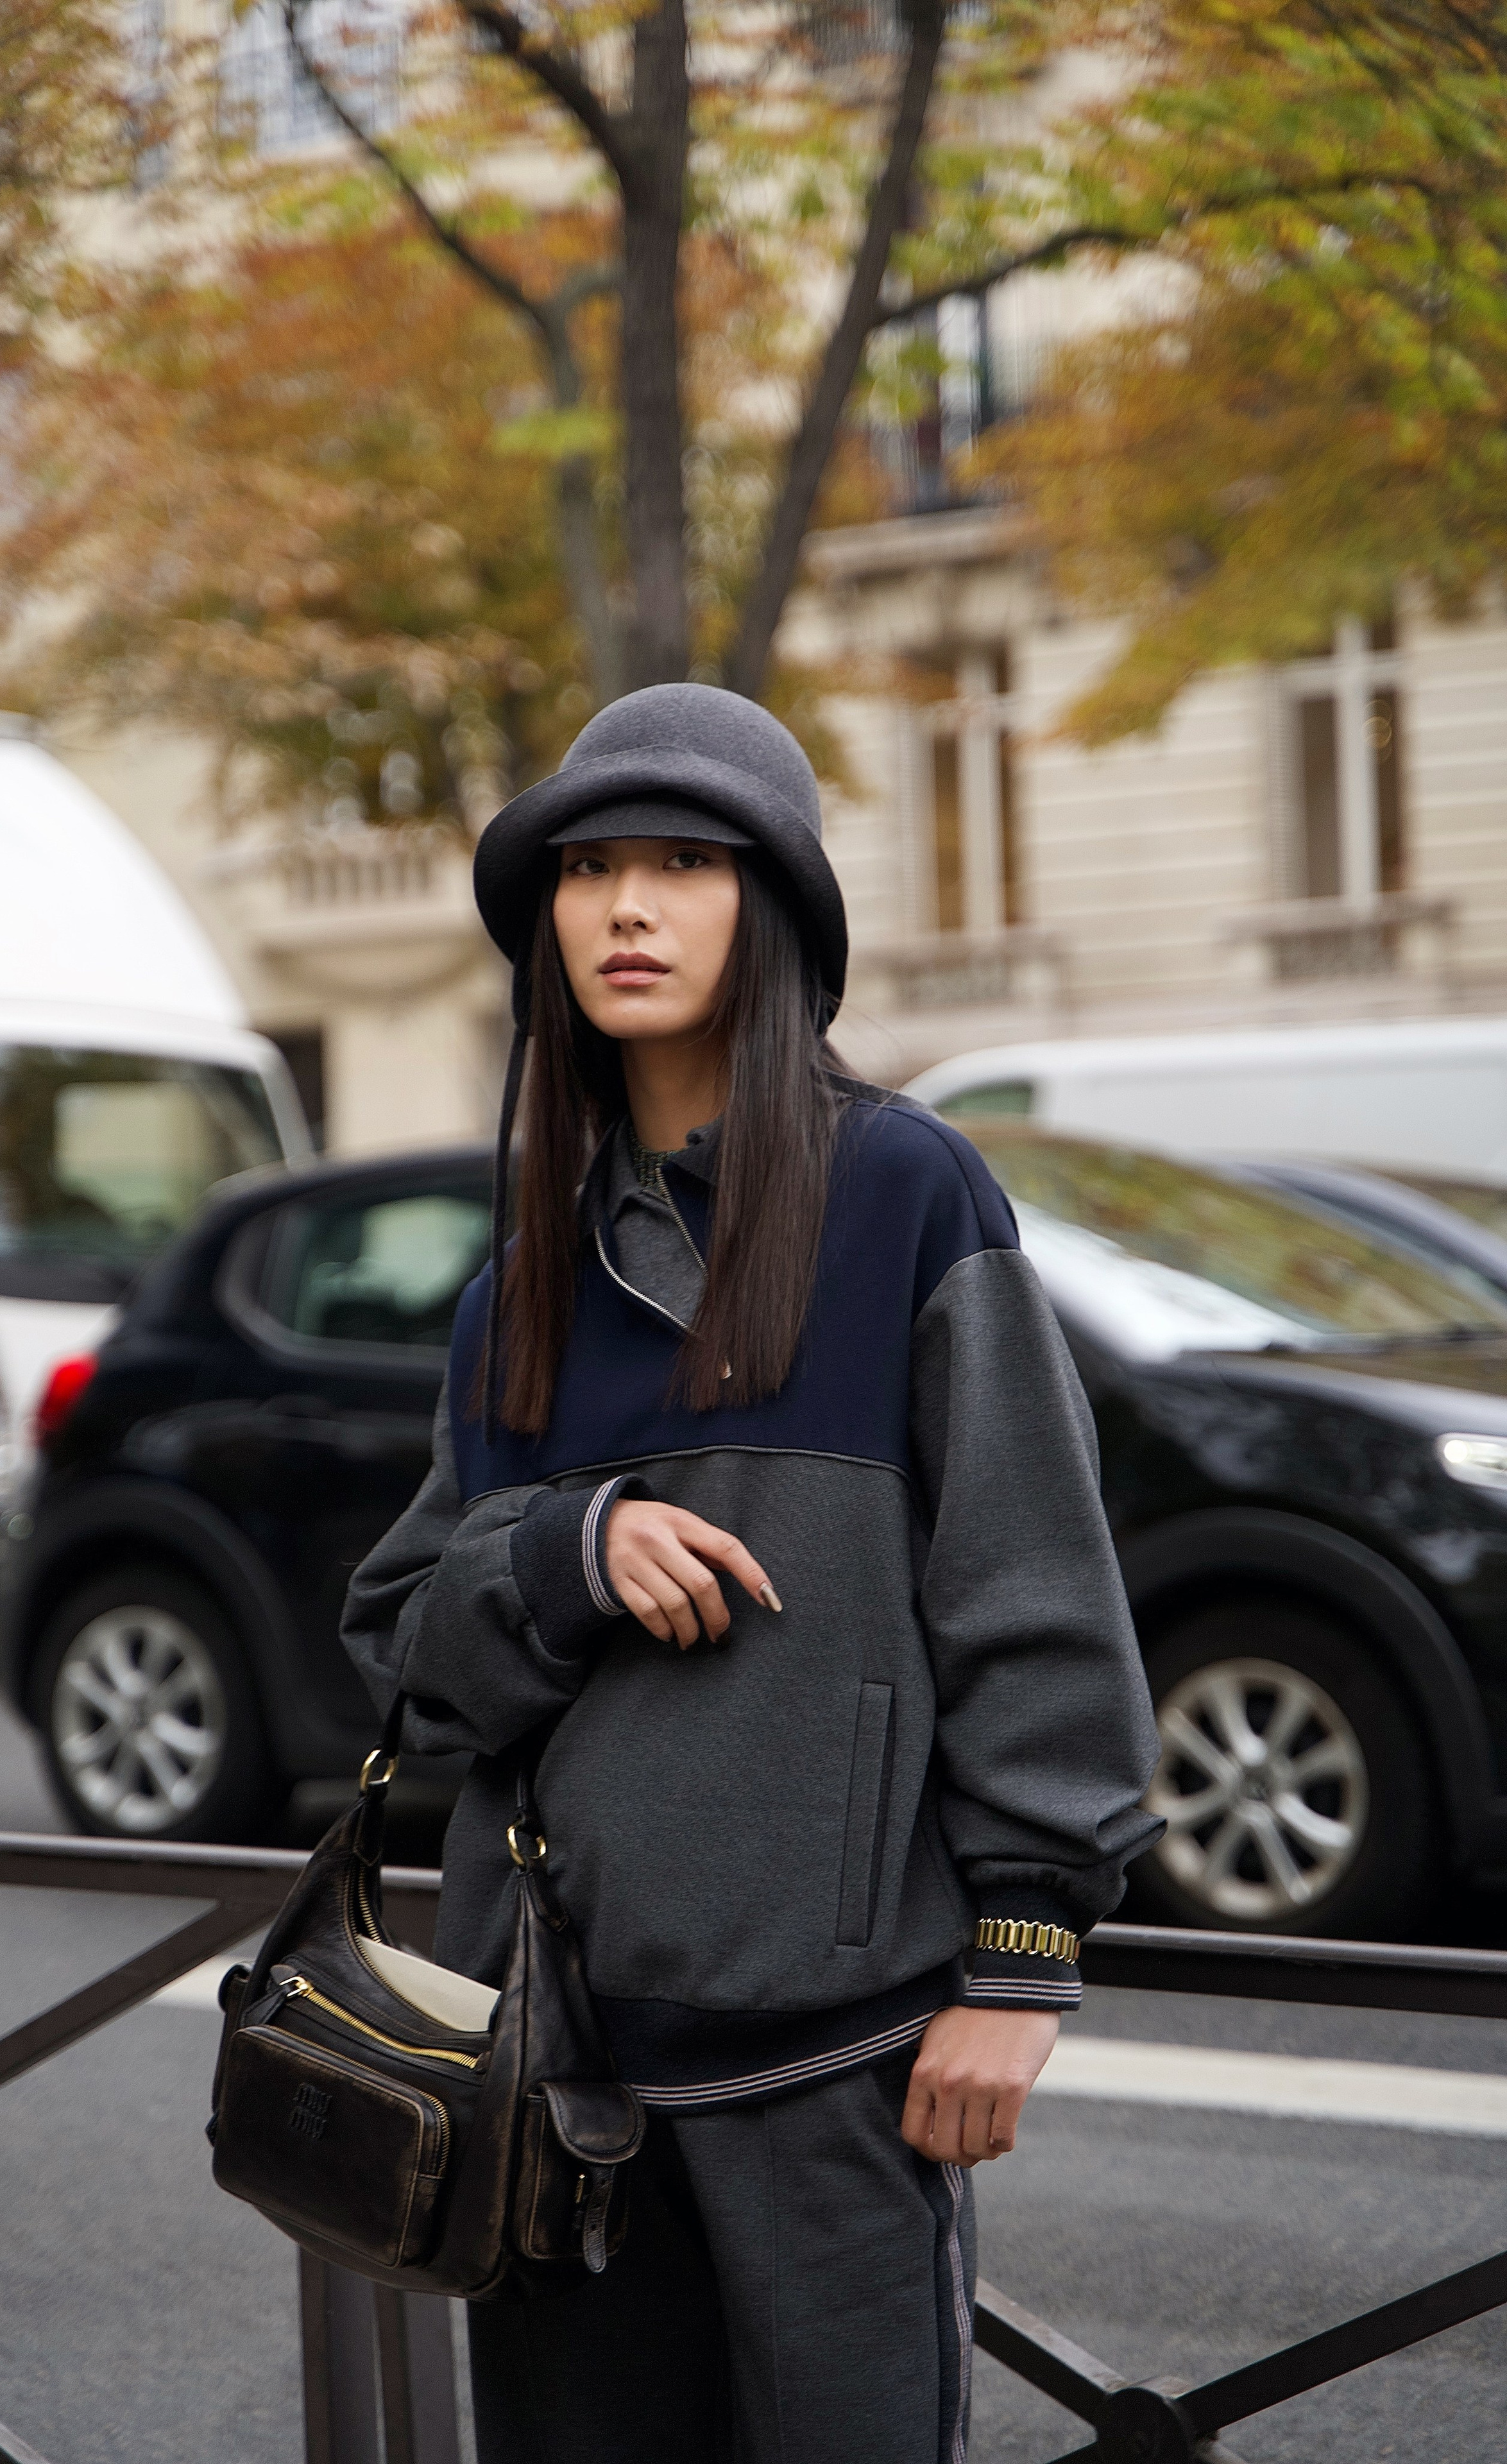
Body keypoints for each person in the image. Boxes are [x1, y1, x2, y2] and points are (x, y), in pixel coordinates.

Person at [341, 683, 1162, 2464]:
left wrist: (1021, 1958)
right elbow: (402, 1657)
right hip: (555, 2086)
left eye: (687, 864)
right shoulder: (521, 1296)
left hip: (831, 2073)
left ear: (770, 908)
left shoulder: (909, 1200)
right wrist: (561, 1552)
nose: (627, 907)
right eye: (590, 869)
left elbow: (1035, 1589)